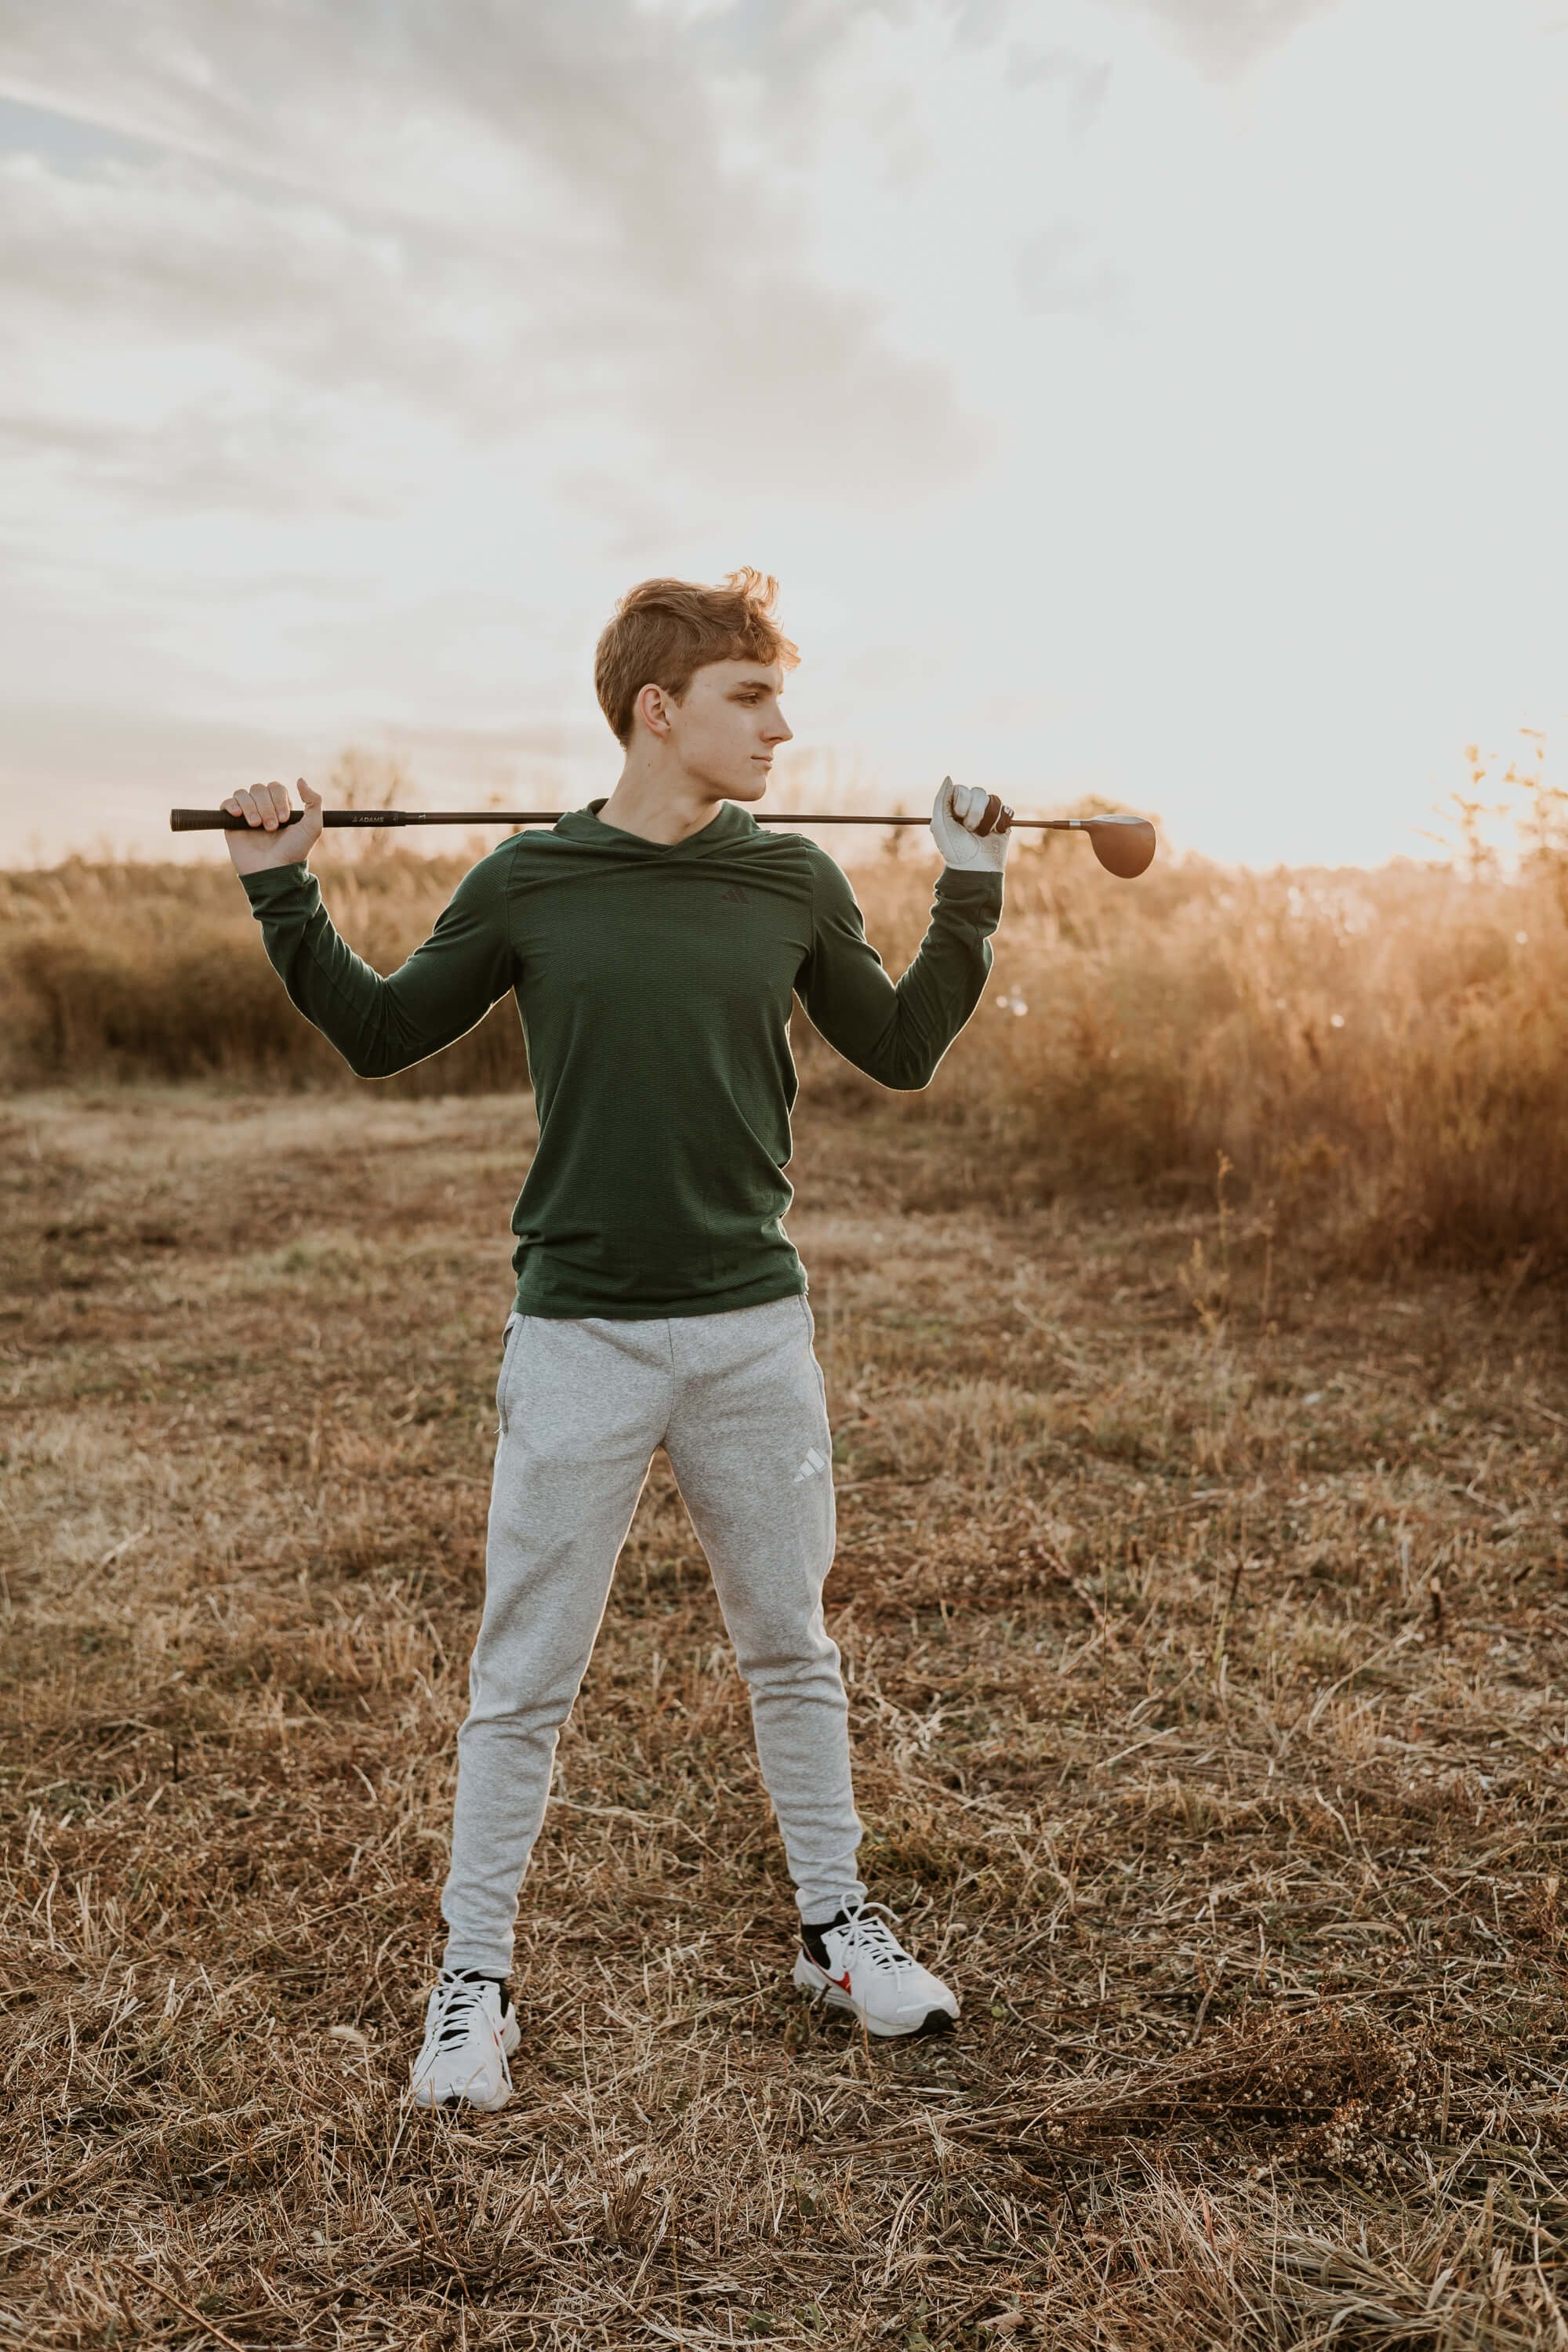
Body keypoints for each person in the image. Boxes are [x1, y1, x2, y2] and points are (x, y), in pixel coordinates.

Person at [223, 569, 1012, 2111]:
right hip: (580, 1333)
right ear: (659, 710)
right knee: (524, 1675)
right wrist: (282, 885)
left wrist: (970, 883)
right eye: (750, 698)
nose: (783, 728)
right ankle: (472, 1983)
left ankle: (836, 1931)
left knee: (792, 1648)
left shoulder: (788, 881)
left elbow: (901, 1051)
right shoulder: (534, 880)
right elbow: (385, 1033)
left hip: (750, 1334)